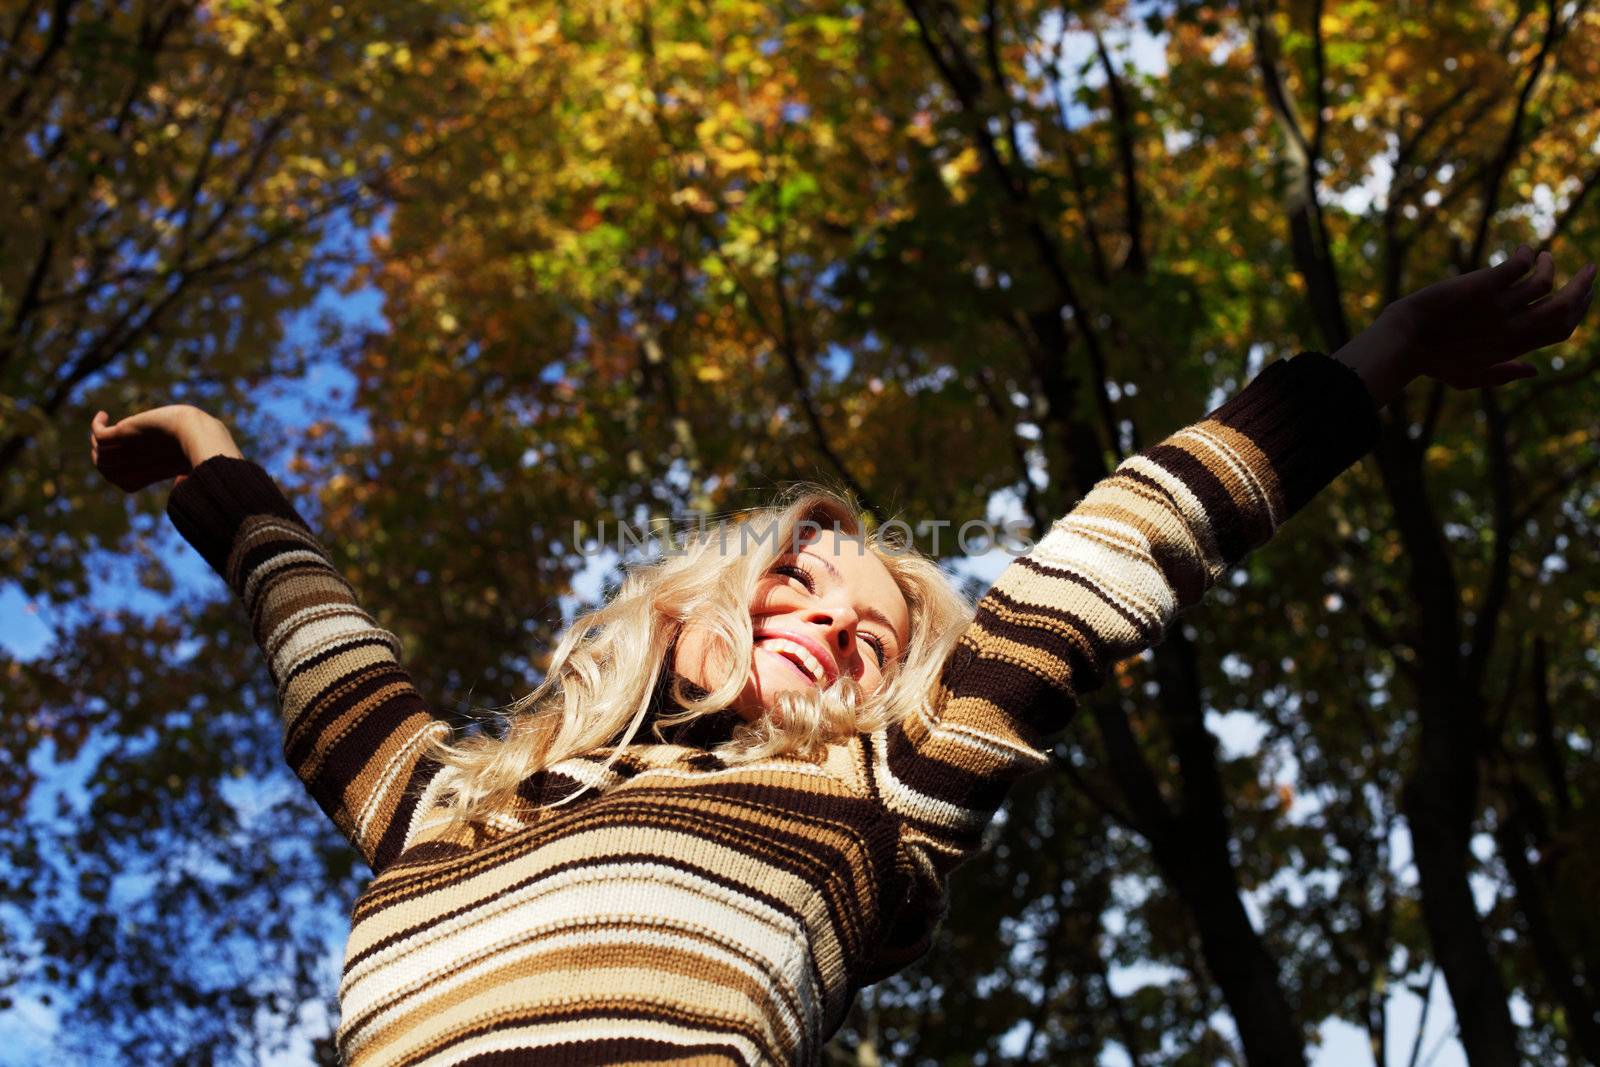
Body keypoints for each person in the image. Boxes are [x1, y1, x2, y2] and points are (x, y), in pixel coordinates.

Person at [90, 245, 1593, 1065]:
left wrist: (1381, 351)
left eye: (871, 631)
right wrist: (213, 456)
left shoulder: (887, 806)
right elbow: (317, 630)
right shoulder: (441, 801)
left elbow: (1113, 559)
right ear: (678, 614)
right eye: (796, 580)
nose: (831, 617)